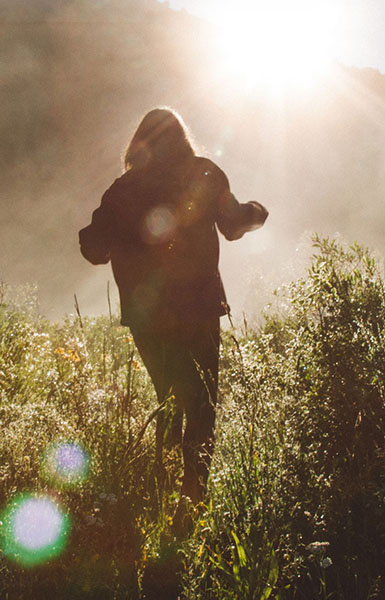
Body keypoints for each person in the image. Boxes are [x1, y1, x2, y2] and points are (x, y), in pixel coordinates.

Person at [79, 108, 267, 515]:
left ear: (138, 143)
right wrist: (257, 212)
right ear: (182, 138)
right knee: (201, 404)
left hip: (147, 316)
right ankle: (193, 501)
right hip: (198, 307)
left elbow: (93, 249)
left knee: (168, 397)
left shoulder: (121, 189)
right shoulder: (203, 172)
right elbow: (234, 225)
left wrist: (117, 235)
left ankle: (163, 497)